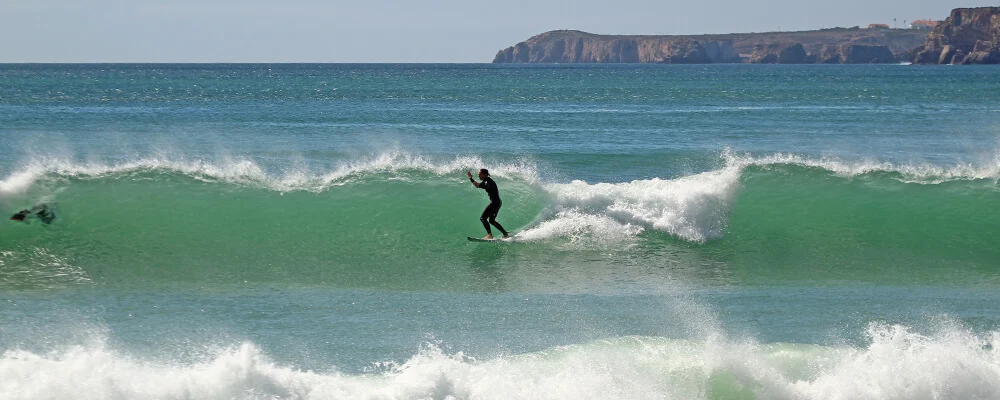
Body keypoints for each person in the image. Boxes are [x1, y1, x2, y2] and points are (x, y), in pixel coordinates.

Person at [467, 168, 509, 239]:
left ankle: (489, 235)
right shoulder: (487, 181)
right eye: (478, 175)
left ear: (485, 174)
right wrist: (471, 179)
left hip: (494, 203)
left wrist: (473, 180)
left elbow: (482, 185)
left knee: (483, 218)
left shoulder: (487, 182)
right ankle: (505, 233)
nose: (479, 176)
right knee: (491, 221)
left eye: (480, 174)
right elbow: (477, 185)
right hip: (498, 202)